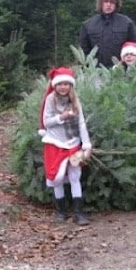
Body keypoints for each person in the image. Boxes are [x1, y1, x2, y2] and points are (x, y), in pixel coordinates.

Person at [38, 67, 92, 225]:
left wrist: (86, 145)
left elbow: (81, 123)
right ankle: (61, 210)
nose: (63, 87)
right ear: (55, 85)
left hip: (73, 143)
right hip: (55, 144)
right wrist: (61, 117)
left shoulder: (75, 101)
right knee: (57, 178)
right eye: (60, 84)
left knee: (75, 176)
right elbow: (46, 122)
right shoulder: (50, 100)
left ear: (71, 85)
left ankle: (78, 212)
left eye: (66, 84)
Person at [79, 0, 136, 68]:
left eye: (112, 2)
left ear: (116, 4)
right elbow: (84, 51)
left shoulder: (127, 23)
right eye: (106, 2)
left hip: (121, 69)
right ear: (100, 4)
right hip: (96, 70)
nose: (109, 5)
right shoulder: (88, 25)